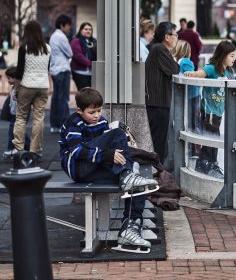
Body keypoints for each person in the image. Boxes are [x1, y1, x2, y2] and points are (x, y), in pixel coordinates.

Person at [59, 88, 159, 253]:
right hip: (78, 169)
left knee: (137, 181)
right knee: (118, 132)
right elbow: (77, 152)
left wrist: (112, 157)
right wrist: (106, 155)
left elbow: (114, 151)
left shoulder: (102, 122)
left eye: (99, 110)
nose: (97, 115)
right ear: (79, 110)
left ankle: (129, 226)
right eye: (92, 112)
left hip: (94, 168)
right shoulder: (73, 122)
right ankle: (126, 175)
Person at [184, 41, 236, 178]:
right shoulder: (212, 68)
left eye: (235, 55)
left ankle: (205, 164)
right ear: (223, 55)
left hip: (219, 112)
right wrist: (191, 74)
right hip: (208, 111)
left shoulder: (230, 73)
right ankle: (210, 164)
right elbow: (200, 73)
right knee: (212, 137)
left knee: (213, 136)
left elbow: (235, 90)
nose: (234, 58)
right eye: (231, 55)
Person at [12, 20, 51, 158]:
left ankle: (18, 148)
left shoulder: (24, 47)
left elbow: (20, 70)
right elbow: (47, 69)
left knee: (21, 117)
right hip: (42, 86)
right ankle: (36, 150)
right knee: (38, 118)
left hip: (27, 85)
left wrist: (15, 89)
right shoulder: (47, 48)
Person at [145, 22, 180, 164]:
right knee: (158, 141)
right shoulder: (159, 49)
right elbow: (174, 70)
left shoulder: (157, 49)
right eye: (175, 34)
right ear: (167, 36)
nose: (177, 37)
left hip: (157, 102)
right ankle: (157, 172)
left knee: (159, 140)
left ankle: (157, 170)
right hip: (158, 102)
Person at [49, 14, 73, 133]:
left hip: (54, 70)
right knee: (63, 98)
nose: (69, 28)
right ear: (62, 25)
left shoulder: (53, 36)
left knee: (56, 98)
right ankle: (64, 124)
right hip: (62, 70)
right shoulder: (61, 37)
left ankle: (54, 125)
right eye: (68, 25)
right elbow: (70, 53)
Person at [2, 66, 30, 158]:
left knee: (14, 131)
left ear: (16, 78)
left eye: (9, 78)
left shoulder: (21, 88)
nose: (8, 80)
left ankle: (11, 149)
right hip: (15, 113)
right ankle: (28, 147)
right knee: (18, 131)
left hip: (19, 113)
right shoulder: (15, 87)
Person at [70, 22, 97, 91]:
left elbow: (98, 54)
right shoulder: (76, 41)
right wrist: (91, 64)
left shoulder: (94, 41)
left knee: (91, 93)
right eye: (86, 29)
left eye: (90, 29)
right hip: (80, 72)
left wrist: (93, 48)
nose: (88, 31)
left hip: (92, 72)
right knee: (83, 93)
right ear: (81, 30)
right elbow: (79, 56)